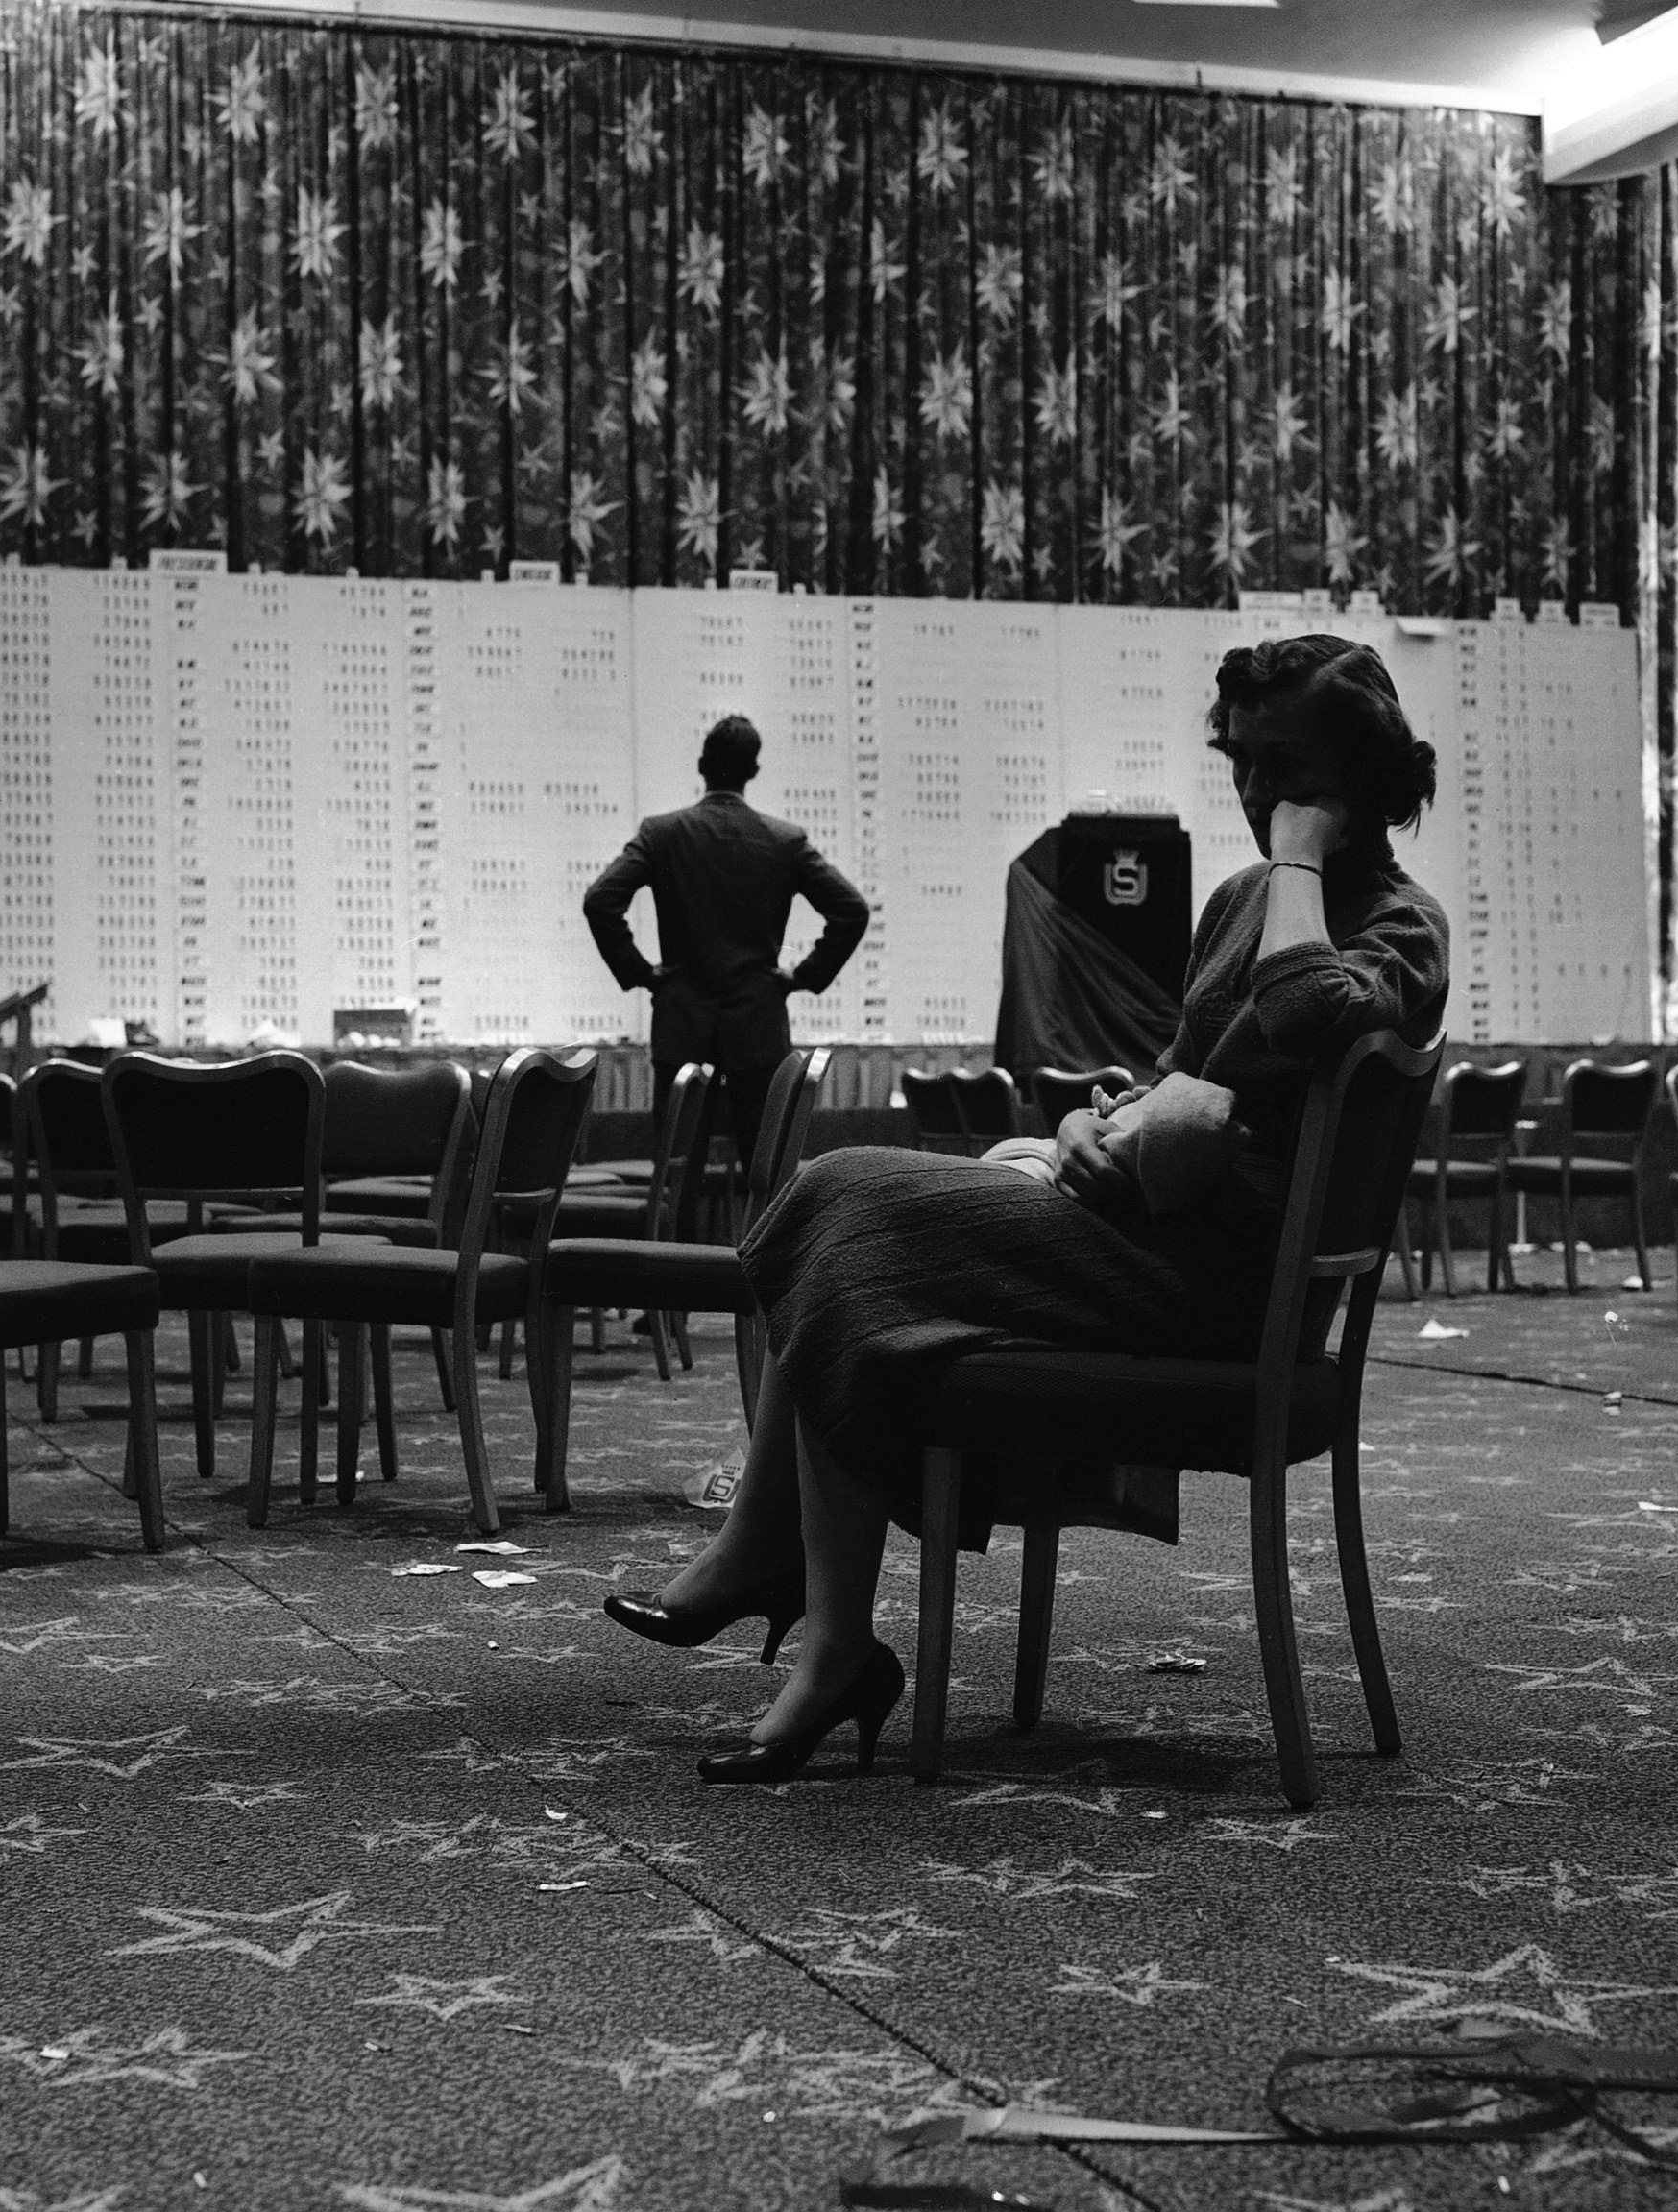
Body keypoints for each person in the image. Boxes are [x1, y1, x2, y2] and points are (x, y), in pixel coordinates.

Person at [602, 636, 1449, 1784]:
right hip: (1146, 1235)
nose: (1256, 792)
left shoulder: (1401, 923)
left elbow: (1303, 1014)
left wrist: (1301, 856)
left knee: (843, 1194)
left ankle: (783, 1572)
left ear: (1358, 775)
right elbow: (1169, 1070)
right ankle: (825, 1627)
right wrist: (1088, 1127)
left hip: (1225, 1289)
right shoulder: (1243, 898)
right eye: (1243, 762)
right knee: (851, 1221)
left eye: (1285, 766)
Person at [584, 716, 869, 1181]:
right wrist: (803, 977)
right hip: (757, 1024)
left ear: (701, 765)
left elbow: (600, 901)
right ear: (753, 772)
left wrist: (642, 973)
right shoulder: (784, 841)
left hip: (681, 1021)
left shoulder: (662, 834)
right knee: (768, 1177)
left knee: (677, 1180)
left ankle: (676, 1255)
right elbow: (851, 911)